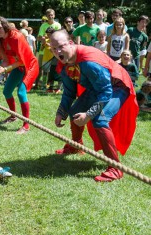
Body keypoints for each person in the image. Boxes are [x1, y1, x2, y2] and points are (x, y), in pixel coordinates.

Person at [49, 29, 138, 182]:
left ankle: (115, 168)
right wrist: (61, 112)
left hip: (116, 86)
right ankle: (75, 145)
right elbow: (69, 92)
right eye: (54, 49)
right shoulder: (64, 64)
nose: (58, 52)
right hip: (97, 88)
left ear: (70, 43)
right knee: (75, 110)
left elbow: (105, 91)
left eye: (61, 46)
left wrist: (89, 115)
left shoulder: (89, 61)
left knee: (99, 119)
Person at [0, 17, 39, 134]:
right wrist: (1, 67)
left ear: (5, 26)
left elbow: (22, 61)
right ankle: (13, 116)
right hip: (18, 67)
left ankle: (26, 125)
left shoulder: (17, 37)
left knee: (21, 92)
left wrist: (6, 69)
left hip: (29, 66)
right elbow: (6, 60)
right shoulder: (0, 40)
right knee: (6, 91)